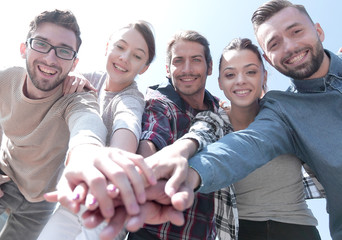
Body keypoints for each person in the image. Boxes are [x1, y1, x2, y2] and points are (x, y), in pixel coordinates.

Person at [150, 0, 342, 239]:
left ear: (264, 72)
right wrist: (186, 171)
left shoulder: (279, 107)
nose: (290, 46)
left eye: (296, 31)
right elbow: (235, 143)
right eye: (230, 74)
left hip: (299, 227)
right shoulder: (274, 113)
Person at [0, 9, 157, 240]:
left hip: (97, 191)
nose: (124, 58)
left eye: (136, 56)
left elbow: (115, 123)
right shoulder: (81, 78)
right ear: (107, 47)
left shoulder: (130, 99)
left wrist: (108, 158)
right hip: (25, 182)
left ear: (144, 67)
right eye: (120, 47)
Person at [127, 30, 226, 240]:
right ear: (168, 68)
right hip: (153, 234)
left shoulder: (220, 110)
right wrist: (148, 168)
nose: (187, 69)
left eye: (196, 60)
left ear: (209, 67)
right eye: (178, 61)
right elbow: (152, 133)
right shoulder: (159, 101)